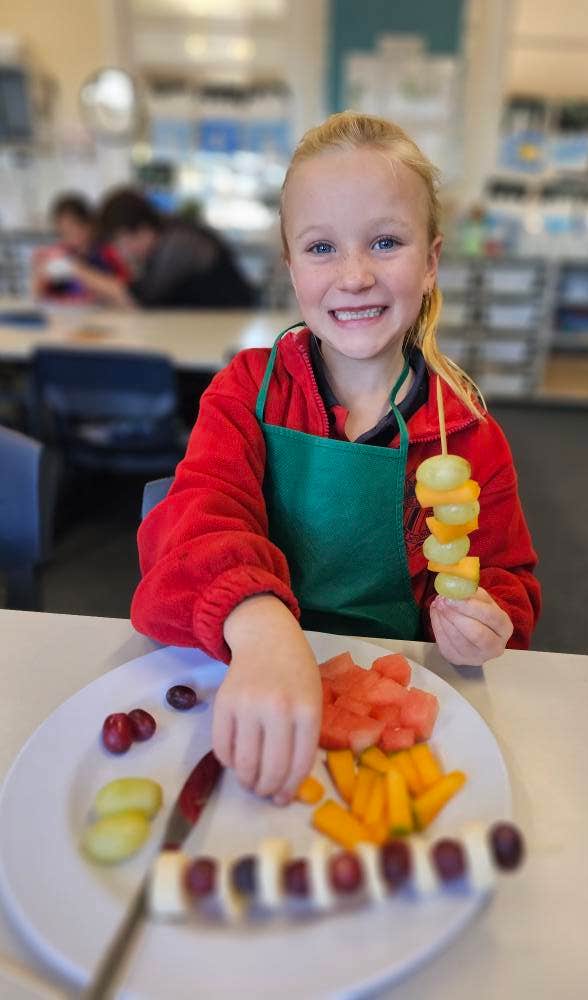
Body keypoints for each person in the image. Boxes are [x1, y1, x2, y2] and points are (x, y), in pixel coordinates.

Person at [131, 112, 541, 806]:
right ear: (291, 267)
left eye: (386, 241)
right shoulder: (246, 392)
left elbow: (509, 580)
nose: (354, 276)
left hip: (392, 704)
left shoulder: (467, 433)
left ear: (432, 260)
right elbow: (197, 514)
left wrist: (487, 619)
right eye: (322, 248)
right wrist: (260, 623)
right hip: (248, 669)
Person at [82, 188, 258, 309]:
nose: (121, 251)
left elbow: (138, 300)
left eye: (122, 242)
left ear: (143, 230)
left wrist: (75, 270)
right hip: (204, 326)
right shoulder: (168, 234)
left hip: (228, 328)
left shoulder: (178, 243)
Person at [31, 193, 129, 302]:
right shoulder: (63, 254)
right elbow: (39, 297)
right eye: (63, 233)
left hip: (106, 315)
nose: (69, 238)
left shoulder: (108, 253)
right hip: (71, 315)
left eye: (73, 228)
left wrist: (76, 270)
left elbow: (126, 291)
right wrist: (40, 274)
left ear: (88, 225)